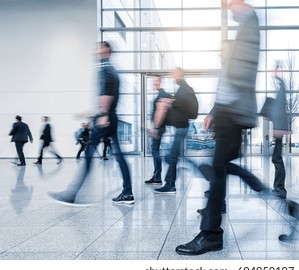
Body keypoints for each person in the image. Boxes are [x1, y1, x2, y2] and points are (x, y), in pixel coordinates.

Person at [176, 0, 260, 255]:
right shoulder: (244, 28)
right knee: (220, 169)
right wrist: (214, 112)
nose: (227, 8)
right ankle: (263, 193)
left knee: (218, 170)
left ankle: (211, 234)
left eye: (230, 4)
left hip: (232, 113)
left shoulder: (250, 23)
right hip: (227, 113)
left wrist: (222, 109)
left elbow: (241, 73)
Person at [49, 41, 134, 205]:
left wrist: (102, 113)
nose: (97, 51)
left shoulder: (106, 70)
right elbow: (107, 95)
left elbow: (107, 94)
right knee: (119, 157)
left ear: (107, 51)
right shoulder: (110, 69)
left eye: (101, 49)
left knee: (88, 154)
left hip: (106, 118)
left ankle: (71, 194)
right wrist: (93, 112)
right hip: (110, 116)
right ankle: (128, 193)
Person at [151, 68, 197, 194]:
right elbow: (179, 104)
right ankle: (170, 183)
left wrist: (167, 103)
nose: (173, 77)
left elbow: (179, 104)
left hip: (182, 127)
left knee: (173, 156)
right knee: (173, 156)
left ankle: (171, 183)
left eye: (175, 75)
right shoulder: (183, 89)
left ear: (179, 75)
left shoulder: (184, 89)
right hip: (181, 127)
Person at [145, 76, 172, 184]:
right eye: (153, 81)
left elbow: (162, 112)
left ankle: (157, 176)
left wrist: (156, 128)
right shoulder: (161, 94)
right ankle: (156, 175)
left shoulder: (163, 95)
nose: (154, 83)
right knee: (155, 151)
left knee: (155, 151)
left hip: (159, 128)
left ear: (160, 82)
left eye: (156, 81)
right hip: (158, 127)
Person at [270, 65, 289, 199]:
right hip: (279, 127)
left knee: (277, 159)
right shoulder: (280, 95)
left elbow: (280, 110)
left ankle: (280, 189)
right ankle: (278, 188)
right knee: (276, 158)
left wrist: (278, 77)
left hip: (279, 128)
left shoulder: (281, 94)